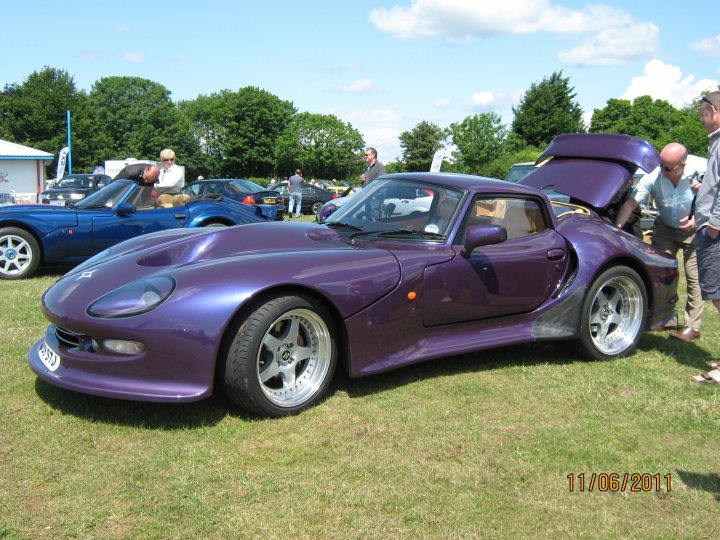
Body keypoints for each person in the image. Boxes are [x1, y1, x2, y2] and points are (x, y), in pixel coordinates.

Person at [615, 143, 704, 341]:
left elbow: (713, 199)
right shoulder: (654, 175)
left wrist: (698, 219)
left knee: (694, 277)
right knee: (662, 276)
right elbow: (631, 204)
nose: (662, 171)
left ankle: (692, 327)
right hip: (664, 228)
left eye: (668, 168)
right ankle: (666, 317)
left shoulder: (700, 172)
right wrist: (617, 229)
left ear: (682, 165)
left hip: (694, 231)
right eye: (661, 165)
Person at [690, 91, 720, 384]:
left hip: (715, 233)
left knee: (719, 297)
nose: (701, 121)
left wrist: (714, 225)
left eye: (702, 114)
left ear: (713, 111)